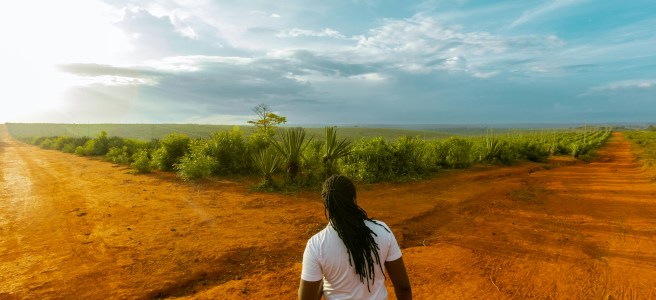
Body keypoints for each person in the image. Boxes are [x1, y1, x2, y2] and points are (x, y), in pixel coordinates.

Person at [298, 175, 412, 300]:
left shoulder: (316, 245)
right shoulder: (382, 231)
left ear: (326, 204)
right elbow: (403, 287)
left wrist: (322, 285)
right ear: (354, 199)